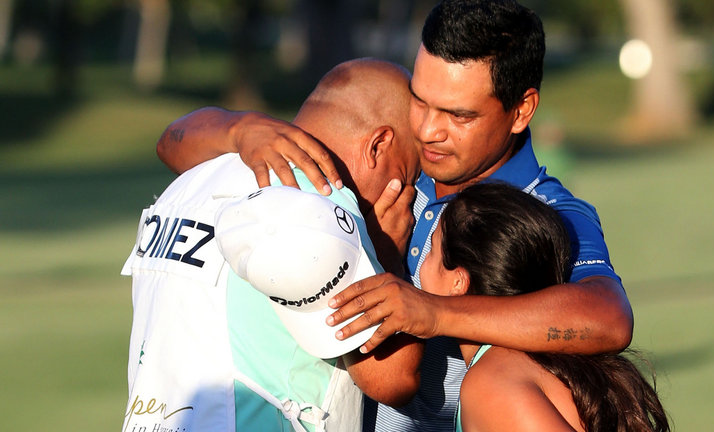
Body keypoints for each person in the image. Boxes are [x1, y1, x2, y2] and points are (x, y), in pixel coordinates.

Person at [155, 1, 634, 430]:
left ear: (521, 110)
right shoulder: (391, 164)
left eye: (458, 115)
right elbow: (176, 147)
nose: (428, 131)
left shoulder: (548, 209)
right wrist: (239, 129)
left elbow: (609, 320)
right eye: (420, 101)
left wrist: (434, 312)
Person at [120, 58, 423, 432]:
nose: (407, 197)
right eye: (407, 176)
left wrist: (236, 126)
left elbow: (169, 141)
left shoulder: (197, 177)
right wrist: (387, 253)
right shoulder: (324, 211)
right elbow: (393, 380)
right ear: (378, 146)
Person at [419, 182, 668, 432]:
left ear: (458, 282)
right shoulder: (542, 359)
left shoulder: (493, 381)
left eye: (431, 250)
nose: (422, 263)